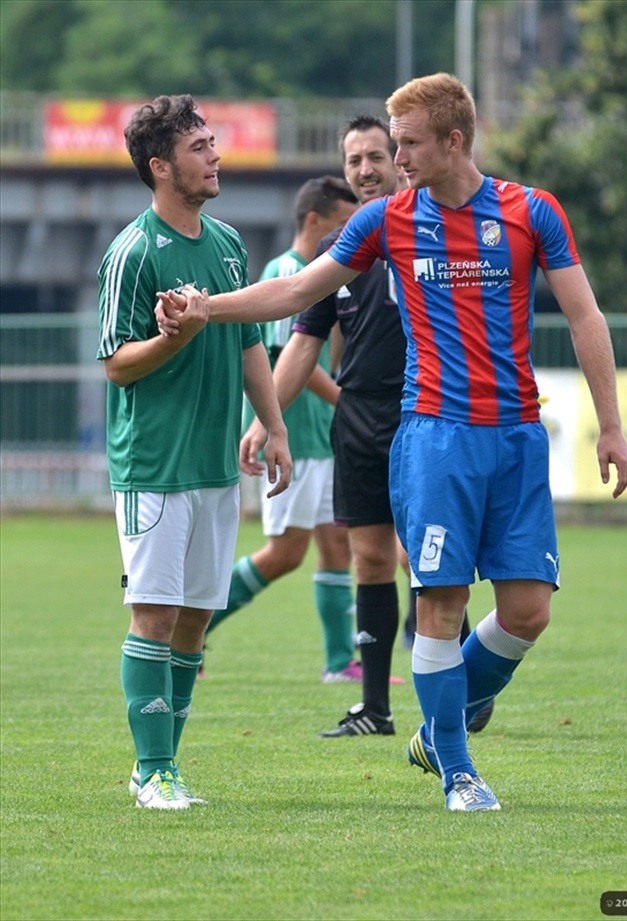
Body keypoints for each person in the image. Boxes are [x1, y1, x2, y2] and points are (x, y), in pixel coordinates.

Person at [157, 73, 627, 813]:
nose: (396, 157)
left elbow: (585, 316)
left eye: (408, 143)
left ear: (455, 140)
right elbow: (297, 292)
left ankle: (438, 731)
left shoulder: (530, 211)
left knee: (529, 611)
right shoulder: (387, 220)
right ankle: (460, 773)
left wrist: (611, 423)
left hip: (516, 437)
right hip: (435, 438)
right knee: (440, 603)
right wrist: (206, 308)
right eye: (393, 142)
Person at [97, 94, 291, 810]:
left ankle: (162, 767)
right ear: (160, 166)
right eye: (199, 147)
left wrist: (274, 425)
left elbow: (249, 344)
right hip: (153, 463)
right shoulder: (133, 252)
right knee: (153, 614)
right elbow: (117, 365)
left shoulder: (229, 244)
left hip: (215, 464)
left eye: (212, 143)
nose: (215, 156)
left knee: (195, 620)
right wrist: (171, 338)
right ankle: (154, 771)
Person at [239, 115, 410, 737]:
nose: (365, 169)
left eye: (375, 156)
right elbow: (303, 342)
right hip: (357, 419)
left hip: (423, 413)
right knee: (369, 559)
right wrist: (266, 420)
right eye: (354, 159)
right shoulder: (336, 251)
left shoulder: (430, 231)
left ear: (401, 158)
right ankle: (375, 709)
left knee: (429, 560)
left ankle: (464, 688)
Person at [204, 176, 361, 683]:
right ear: (315, 221)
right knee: (285, 554)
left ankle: (340, 663)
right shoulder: (288, 272)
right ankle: (193, 626)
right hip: (297, 438)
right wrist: (348, 403)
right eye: (343, 224)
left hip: (324, 438)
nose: (350, 235)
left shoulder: (326, 275)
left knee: (337, 547)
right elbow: (293, 359)